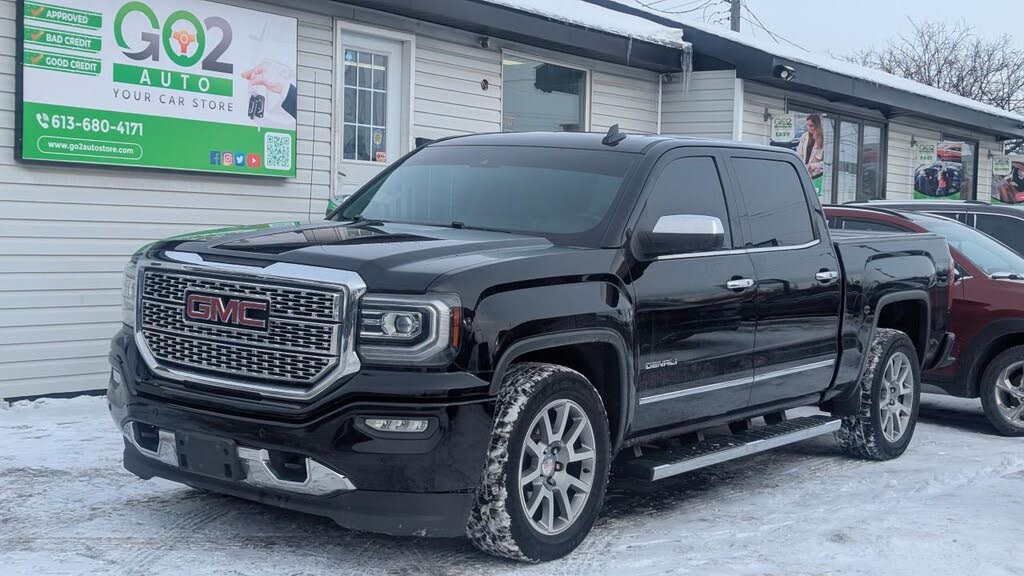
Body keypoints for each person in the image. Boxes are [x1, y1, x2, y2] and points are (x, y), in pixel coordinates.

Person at [796, 114, 825, 179]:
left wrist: (813, 166)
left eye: (811, 126)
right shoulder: (804, 136)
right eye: (807, 125)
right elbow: (799, 154)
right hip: (804, 173)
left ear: (817, 125)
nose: (809, 128)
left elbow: (827, 163)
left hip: (818, 175)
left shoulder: (823, 139)